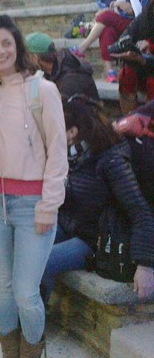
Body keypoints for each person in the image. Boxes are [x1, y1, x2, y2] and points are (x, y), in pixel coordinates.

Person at [0, 14, 67, 358]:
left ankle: (31, 352)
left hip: (32, 205)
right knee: (1, 286)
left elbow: (58, 150)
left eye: (6, 43)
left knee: (26, 292)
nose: (0, 51)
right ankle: (9, 352)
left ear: (17, 45)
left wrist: (49, 204)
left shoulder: (42, 90)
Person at [40, 95, 154, 303]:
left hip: (92, 240)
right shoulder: (71, 156)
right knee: (25, 246)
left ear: (73, 132)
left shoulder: (111, 161)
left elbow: (140, 211)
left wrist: (146, 265)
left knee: (41, 261)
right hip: (67, 225)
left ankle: (33, 318)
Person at [25, 31, 99, 100]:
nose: (24, 61)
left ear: (35, 58)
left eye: (26, 57)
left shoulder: (70, 80)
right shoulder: (46, 72)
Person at [112, 0, 154, 113]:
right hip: (146, 65)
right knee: (127, 73)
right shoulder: (148, 14)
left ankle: (149, 120)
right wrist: (131, 47)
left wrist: (150, 46)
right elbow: (126, 35)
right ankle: (130, 118)